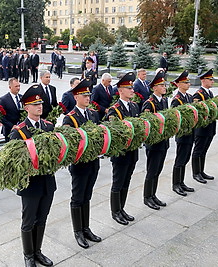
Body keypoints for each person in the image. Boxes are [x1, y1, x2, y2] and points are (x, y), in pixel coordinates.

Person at [10, 85, 56, 267]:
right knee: (28, 220)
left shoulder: (49, 126)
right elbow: (14, 161)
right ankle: (28, 255)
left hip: (47, 183)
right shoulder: (18, 131)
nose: (39, 106)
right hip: (30, 185)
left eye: (41, 103)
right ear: (26, 107)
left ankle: (38, 251)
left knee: (42, 218)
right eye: (35, 104)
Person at [63, 79, 102, 249]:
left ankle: (86, 228)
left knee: (87, 196)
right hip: (79, 165)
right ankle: (78, 231)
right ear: (76, 96)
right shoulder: (70, 119)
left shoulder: (93, 114)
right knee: (77, 198)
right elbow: (69, 144)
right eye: (85, 95)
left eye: (89, 95)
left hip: (93, 163)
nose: (88, 97)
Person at [105, 72, 139, 225]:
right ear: (120, 90)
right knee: (118, 182)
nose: (132, 90)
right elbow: (115, 133)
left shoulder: (134, 106)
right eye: (128, 88)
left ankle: (122, 208)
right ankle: (115, 211)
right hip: (121, 154)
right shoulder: (114, 110)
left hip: (132, 152)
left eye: (132, 87)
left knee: (127, 181)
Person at [141, 70, 169, 210]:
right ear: (155, 88)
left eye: (164, 85)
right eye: (162, 85)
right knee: (152, 170)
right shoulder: (149, 103)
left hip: (163, 142)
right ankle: (147, 197)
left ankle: (153, 195)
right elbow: (147, 125)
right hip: (154, 143)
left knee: (158, 170)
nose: (164, 87)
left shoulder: (164, 100)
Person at [170, 70, 195, 196]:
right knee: (180, 159)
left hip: (190, 133)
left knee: (185, 159)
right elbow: (175, 119)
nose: (188, 84)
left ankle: (182, 182)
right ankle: (176, 184)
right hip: (182, 135)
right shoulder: (177, 100)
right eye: (185, 82)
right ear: (179, 84)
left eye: (188, 82)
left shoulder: (189, 97)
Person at [191, 68, 216, 184]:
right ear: (203, 80)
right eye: (210, 79)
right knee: (198, 150)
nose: (213, 81)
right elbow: (197, 113)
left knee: (204, 150)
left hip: (210, 128)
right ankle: (196, 173)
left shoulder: (209, 93)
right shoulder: (198, 95)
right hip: (202, 129)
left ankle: (201, 171)